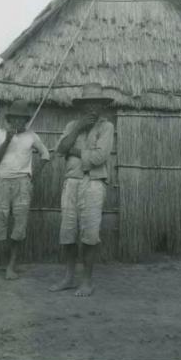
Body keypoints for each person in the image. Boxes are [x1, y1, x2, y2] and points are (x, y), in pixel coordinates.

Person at [0, 100, 50, 281]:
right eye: (14, 119)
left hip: (23, 185)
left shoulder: (31, 136)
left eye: (21, 119)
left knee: (19, 228)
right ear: (9, 120)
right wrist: (8, 139)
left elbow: (46, 155)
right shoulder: (0, 134)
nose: (17, 122)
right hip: (2, 184)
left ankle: (10, 267)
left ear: (25, 120)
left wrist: (32, 177)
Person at [50, 83, 114, 297]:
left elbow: (99, 158)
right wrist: (78, 128)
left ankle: (87, 281)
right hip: (71, 182)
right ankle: (68, 278)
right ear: (82, 107)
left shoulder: (107, 127)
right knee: (67, 232)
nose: (92, 109)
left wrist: (74, 151)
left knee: (89, 234)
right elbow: (60, 150)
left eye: (97, 105)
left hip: (94, 183)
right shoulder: (71, 126)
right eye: (88, 104)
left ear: (102, 107)